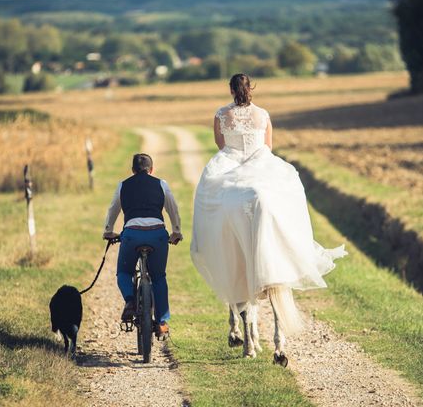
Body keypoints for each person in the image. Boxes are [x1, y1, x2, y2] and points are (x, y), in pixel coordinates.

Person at [190, 73, 345, 329]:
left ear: (231, 90)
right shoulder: (263, 115)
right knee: (290, 186)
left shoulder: (220, 114)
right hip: (259, 161)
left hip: (229, 161)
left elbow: (221, 146)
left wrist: (237, 158)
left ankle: (209, 242)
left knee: (208, 194)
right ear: (251, 88)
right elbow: (268, 146)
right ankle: (295, 239)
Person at [103, 153, 183, 340]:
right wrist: (176, 231)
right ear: (151, 170)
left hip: (131, 235)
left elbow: (113, 209)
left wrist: (108, 230)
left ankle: (130, 301)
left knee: (124, 272)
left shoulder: (123, 185)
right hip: (157, 235)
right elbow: (173, 208)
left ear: (133, 171)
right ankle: (162, 323)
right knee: (159, 277)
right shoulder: (161, 184)